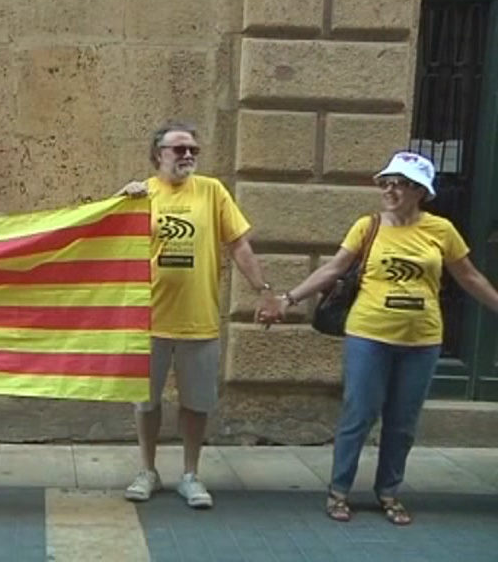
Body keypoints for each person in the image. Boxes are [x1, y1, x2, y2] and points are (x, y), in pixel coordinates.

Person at [259, 152, 498, 525]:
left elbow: (469, 277)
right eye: (385, 182)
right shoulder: (367, 226)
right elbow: (334, 269)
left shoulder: (441, 230)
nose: (388, 189)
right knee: (359, 413)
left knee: (402, 422)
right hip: (369, 334)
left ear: (420, 191)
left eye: (398, 183)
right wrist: (289, 299)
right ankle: (339, 491)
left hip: (423, 339)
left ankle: (389, 492)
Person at [117, 122, 275, 509]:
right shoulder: (142, 194)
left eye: (193, 150)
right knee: (146, 402)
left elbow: (238, 245)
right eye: (179, 149)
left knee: (197, 402)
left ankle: (190, 474)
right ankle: (147, 470)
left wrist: (264, 290)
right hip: (148, 320)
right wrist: (119, 201)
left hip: (199, 318)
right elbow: (107, 242)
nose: (188, 155)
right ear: (158, 155)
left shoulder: (211, 192)